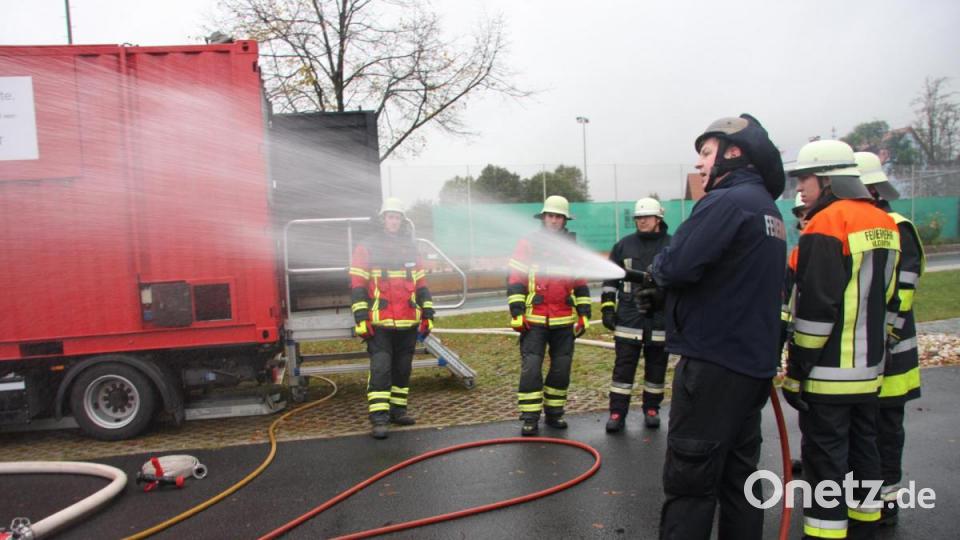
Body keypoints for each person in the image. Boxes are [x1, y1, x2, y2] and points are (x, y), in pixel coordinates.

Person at [652, 114, 787, 540]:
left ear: (734, 152)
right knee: (739, 481)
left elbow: (676, 265)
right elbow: (730, 279)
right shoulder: (767, 209)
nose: (699, 164)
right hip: (750, 368)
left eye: (707, 153)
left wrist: (658, 277)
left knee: (690, 481)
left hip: (713, 367)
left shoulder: (727, 202)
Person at [782, 141, 901, 539]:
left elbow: (816, 311)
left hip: (828, 374)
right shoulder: (885, 224)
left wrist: (797, 372)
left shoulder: (826, 224)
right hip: (870, 371)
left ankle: (824, 533)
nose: (800, 189)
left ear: (829, 180)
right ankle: (866, 527)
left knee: (826, 463)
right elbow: (890, 298)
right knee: (865, 451)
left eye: (805, 179)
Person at [855, 151, 925, 526]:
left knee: (886, 429)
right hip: (868, 350)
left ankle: (887, 500)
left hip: (892, 354)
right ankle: (864, 497)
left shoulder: (897, 227)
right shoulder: (864, 225)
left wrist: (885, 335)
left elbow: (904, 291)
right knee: (864, 430)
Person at [349, 197, 435, 440]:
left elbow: (421, 285)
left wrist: (428, 314)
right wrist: (361, 318)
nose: (393, 221)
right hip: (380, 323)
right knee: (381, 368)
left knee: (402, 368)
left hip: (408, 321)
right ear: (382, 219)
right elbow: (358, 286)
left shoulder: (412, 249)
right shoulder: (366, 247)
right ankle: (379, 418)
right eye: (390, 217)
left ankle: (398, 411)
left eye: (397, 217)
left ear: (402, 221)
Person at [507, 195, 591, 436]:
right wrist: (517, 312)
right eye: (550, 216)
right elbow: (516, 280)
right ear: (543, 217)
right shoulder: (528, 244)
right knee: (531, 368)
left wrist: (584, 314)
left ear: (565, 220)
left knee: (561, 369)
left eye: (558, 217)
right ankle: (530, 417)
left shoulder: (572, 247)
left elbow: (581, 284)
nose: (554, 220)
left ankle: (554, 413)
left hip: (564, 321)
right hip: (534, 321)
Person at [601, 197, 671, 433]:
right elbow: (610, 280)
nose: (641, 221)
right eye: (638, 218)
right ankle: (617, 413)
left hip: (659, 318)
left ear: (658, 218)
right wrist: (608, 308)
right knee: (623, 368)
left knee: (657, 368)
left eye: (646, 217)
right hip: (629, 318)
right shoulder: (623, 246)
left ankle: (651, 409)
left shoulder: (672, 245)